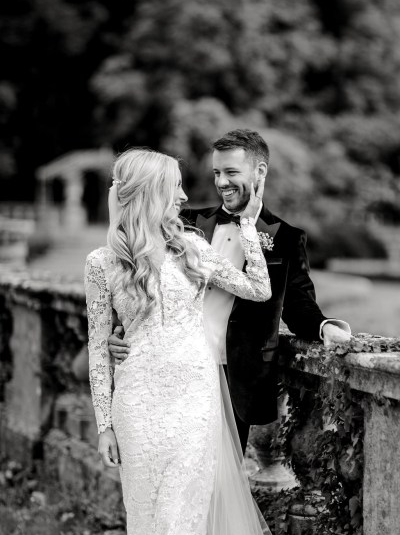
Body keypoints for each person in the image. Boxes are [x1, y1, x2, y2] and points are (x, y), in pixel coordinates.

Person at [84, 147, 293, 535]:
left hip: (194, 400)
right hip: (137, 402)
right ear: (152, 192)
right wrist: (104, 425)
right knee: (147, 525)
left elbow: (258, 288)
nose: (183, 195)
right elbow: (99, 347)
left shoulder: (192, 247)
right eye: (174, 186)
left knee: (185, 520)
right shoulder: (102, 263)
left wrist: (249, 226)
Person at [108, 129, 351, 454]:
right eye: (216, 173)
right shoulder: (184, 221)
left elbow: (299, 305)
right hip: (172, 366)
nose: (221, 182)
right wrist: (119, 328)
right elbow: (132, 271)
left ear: (259, 172)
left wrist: (326, 327)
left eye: (231, 172)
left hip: (237, 374)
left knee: (219, 478)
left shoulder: (285, 237)